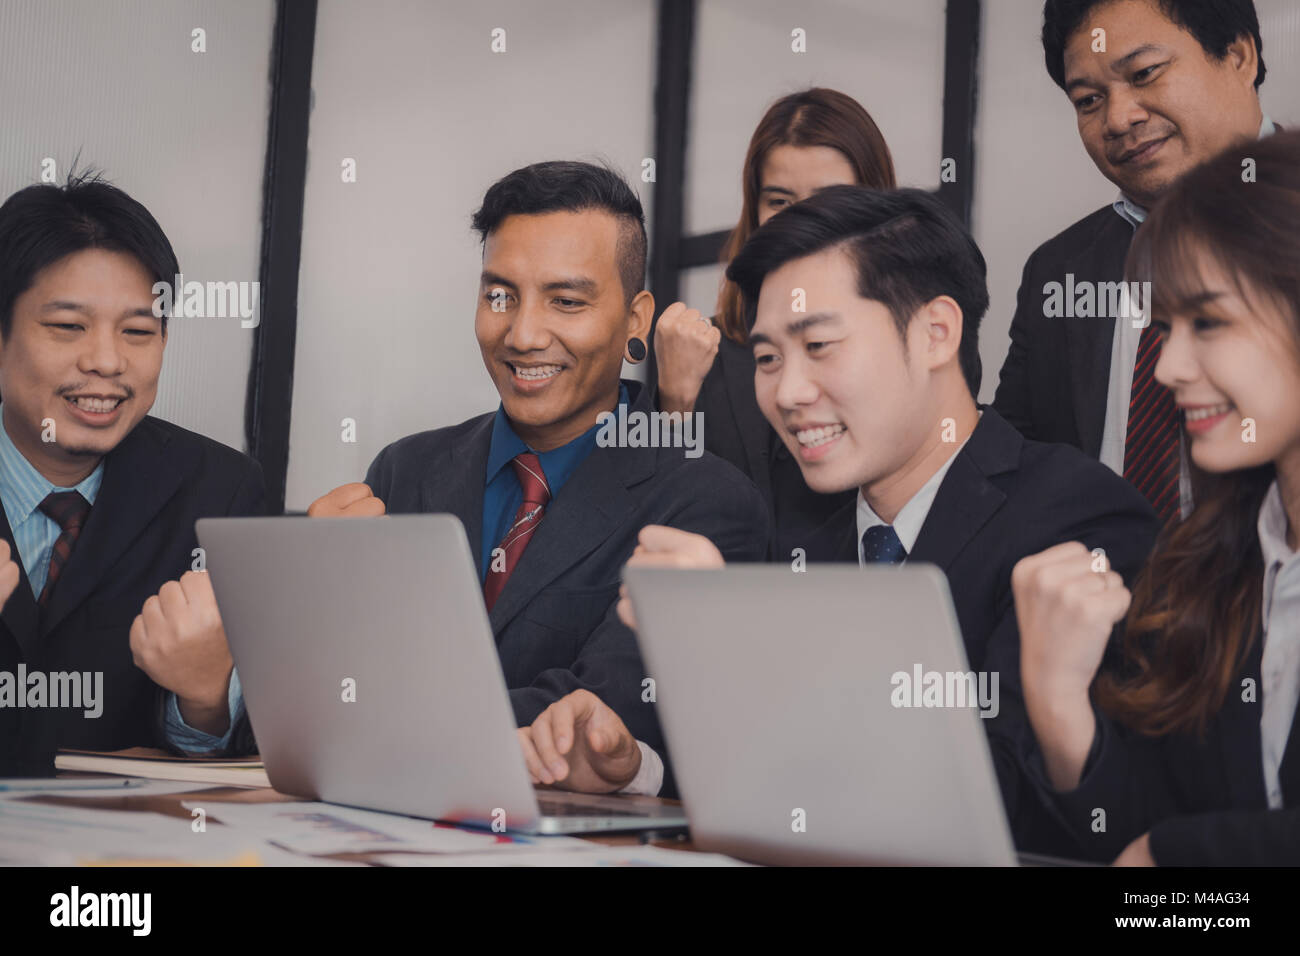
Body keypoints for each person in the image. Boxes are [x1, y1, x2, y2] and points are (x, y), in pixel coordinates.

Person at [526, 186, 1160, 855]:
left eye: (820, 344)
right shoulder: (796, 526)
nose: (788, 392)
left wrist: (739, 647)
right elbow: (781, 779)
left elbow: (1011, 806)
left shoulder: (1076, 517)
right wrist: (634, 768)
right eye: (768, 359)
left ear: (936, 332)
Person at [277, 161, 766, 797]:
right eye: (499, 296)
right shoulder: (404, 472)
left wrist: (366, 708)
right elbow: (328, 684)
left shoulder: (704, 504)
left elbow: (595, 716)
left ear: (637, 320)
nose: (523, 334)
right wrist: (311, 612)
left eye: (566, 301)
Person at [1013, 131, 1300, 866]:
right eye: (1166, 327)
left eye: (1208, 322)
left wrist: (1176, 859)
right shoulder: (1218, 563)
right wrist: (1056, 699)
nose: (1168, 366)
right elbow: (1135, 842)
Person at [0, 174, 265, 774]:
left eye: (138, 332)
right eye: (68, 327)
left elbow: (261, 747)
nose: (106, 362)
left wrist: (203, 699)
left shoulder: (221, 493)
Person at [993, 0, 1276, 523]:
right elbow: (1012, 464)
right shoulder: (1058, 271)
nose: (1119, 118)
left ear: (1239, 56)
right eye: (1089, 100)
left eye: (1145, 73)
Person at [651, 88, 896, 556]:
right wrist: (675, 402)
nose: (802, 224)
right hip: (726, 608)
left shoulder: (911, 335)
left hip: (857, 610)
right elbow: (661, 516)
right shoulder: (701, 348)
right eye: (780, 202)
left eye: (831, 200)